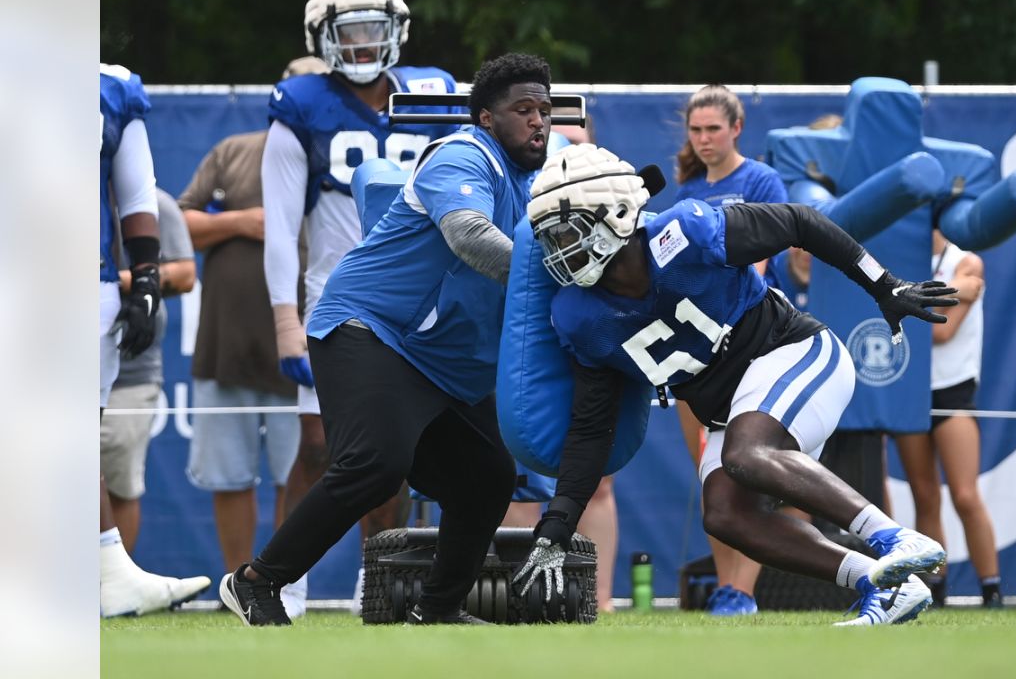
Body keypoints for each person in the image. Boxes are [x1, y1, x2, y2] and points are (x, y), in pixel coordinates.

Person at [515, 145, 958, 627]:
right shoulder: (579, 316)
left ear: (616, 214)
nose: (561, 249)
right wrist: (556, 524)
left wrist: (883, 285)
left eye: (570, 230)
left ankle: (894, 538)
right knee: (724, 515)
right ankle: (880, 582)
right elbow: (590, 428)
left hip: (793, 352)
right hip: (729, 407)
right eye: (551, 237)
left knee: (745, 455)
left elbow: (800, 221)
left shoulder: (685, 233)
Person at [220, 52, 553, 627]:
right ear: (485, 119)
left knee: (489, 476)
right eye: (522, 109)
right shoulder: (462, 156)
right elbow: (470, 237)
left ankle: (439, 609)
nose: (538, 121)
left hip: (445, 363)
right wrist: (557, 273)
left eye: (544, 110)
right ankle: (255, 582)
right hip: (370, 328)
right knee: (375, 464)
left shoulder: (546, 181)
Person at [261, 0, 461, 613]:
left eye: (374, 30)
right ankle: (285, 580)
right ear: (324, 35)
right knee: (318, 446)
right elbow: (282, 224)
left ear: (396, 29)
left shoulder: (434, 96)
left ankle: (382, 581)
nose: (363, 45)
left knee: (394, 451)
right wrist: (287, 319)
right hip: (337, 295)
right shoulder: (302, 106)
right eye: (350, 32)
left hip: (419, 301)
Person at [178, 57, 327, 619]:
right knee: (230, 477)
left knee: (308, 475)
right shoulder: (233, 149)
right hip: (227, 350)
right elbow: (179, 220)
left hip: (309, 355)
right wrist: (243, 222)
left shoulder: (348, 148)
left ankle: (285, 588)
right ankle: (235, 588)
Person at [670, 84, 790, 615]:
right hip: (693, 351)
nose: (703, 140)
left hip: (750, 344)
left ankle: (743, 590)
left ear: (737, 128)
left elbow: (758, 264)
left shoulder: (761, 179)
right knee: (711, 474)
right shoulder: (685, 189)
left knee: (750, 472)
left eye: (713, 129)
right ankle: (727, 589)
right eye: (695, 131)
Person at [99, 63, 210, 617]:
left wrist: (138, 278)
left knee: (104, 466)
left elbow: (182, 271)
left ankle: (111, 575)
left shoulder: (156, 205)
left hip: (112, 337)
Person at [500, 113, 622, 613]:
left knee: (597, 479)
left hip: (589, 334)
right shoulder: (516, 189)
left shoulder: (612, 197)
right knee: (516, 475)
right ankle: (513, 595)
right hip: (531, 343)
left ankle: (601, 598)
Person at [892, 229, 1002, 608]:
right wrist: (954, 291)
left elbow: (944, 331)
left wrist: (908, 305)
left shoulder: (967, 261)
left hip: (953, 390)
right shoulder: (899, 262)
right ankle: (934, 592)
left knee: (966, 495)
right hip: (910, 390)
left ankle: (992, 591)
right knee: (924, 496)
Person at [101, 189, 196, 554]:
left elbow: (185, 274)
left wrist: (113, 282)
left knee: (119, 484)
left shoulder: (155, 204)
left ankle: (113, 588)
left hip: (131, 369)